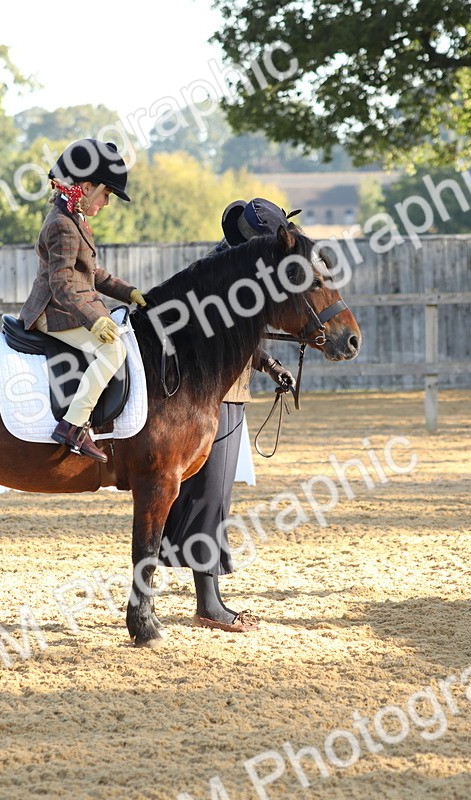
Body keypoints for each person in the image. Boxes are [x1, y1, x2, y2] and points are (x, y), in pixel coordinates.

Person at [159, 198, 298, 633]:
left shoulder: (224, 266)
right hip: (217, 397)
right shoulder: (227, 274)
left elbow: (242, 337)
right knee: (210, 498)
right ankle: (208, 606)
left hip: (221, 393)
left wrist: (270, 365)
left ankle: (203, 599)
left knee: (206, 497)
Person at [18, 139, 148, 463]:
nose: (106, 203)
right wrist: (95, 319)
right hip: (53, 311)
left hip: (68, 305)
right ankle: (74, 425)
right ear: (87, 187)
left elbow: (91, 272)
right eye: (106, 195)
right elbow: (61, 282)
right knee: (113, 350)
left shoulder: (73, 218)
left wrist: (129, 292)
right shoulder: (62, 225)